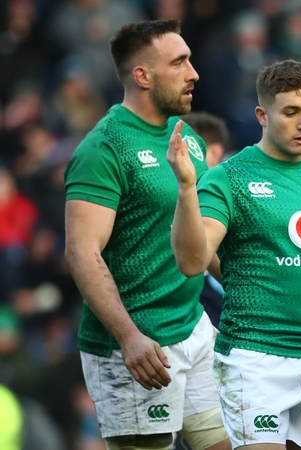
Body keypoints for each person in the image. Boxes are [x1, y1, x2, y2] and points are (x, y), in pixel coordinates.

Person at [63, 20, 230, 450]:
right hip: (136, 348)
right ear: (142, 76)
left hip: (194, 330)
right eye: (179, 63)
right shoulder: (105, 148)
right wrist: (128, 336)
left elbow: (206, 242)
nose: (194, 73)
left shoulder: (188, 139)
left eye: (190, 60)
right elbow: (82, 252)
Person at [168, 60, 301, 450]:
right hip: (254, 358)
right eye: (291, 112)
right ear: (262, 115)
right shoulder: (229, 177)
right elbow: (192, 262)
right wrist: (187, 188)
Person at [180, 111, 231, 327]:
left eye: (190, 150)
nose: (180, 158)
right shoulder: (175, 195)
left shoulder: (234, 195)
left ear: (216, 152)